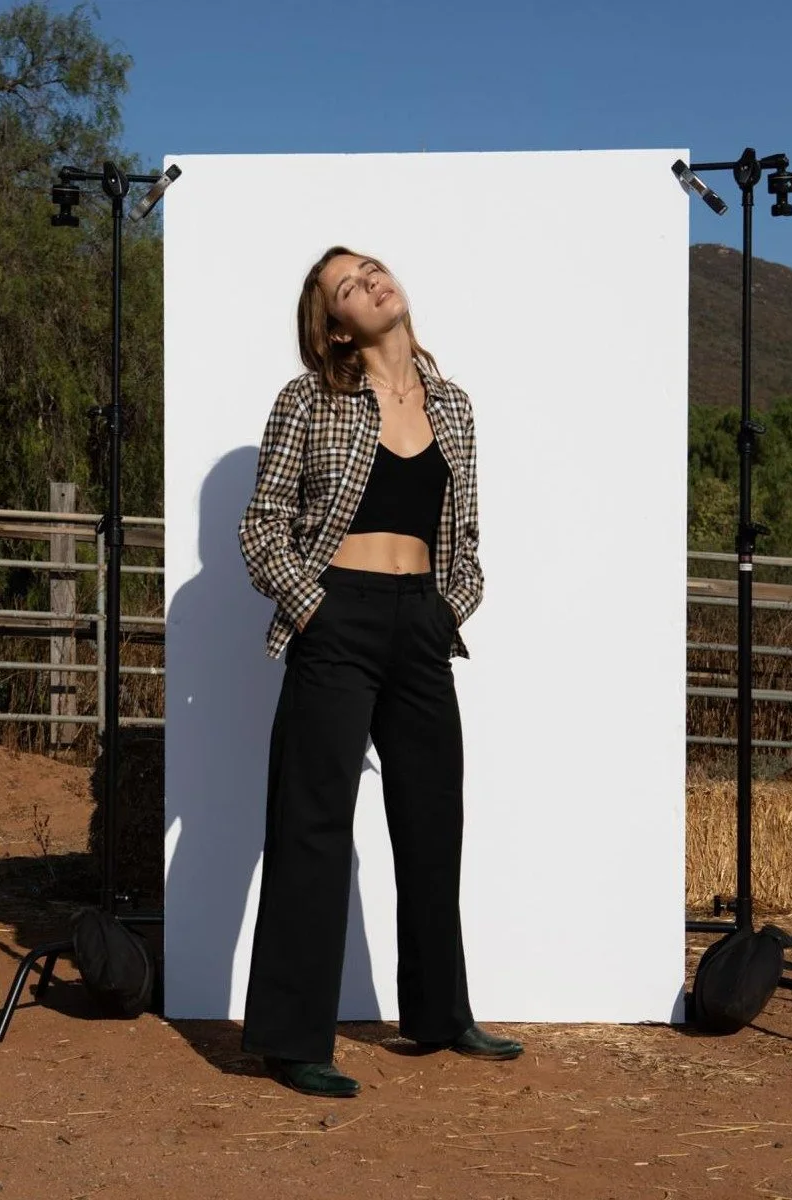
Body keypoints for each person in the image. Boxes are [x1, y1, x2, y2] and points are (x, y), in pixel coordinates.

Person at [236, 246, 523, 1099]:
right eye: (347, 287)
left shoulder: (453, 406)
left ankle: (440, 1014)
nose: (369, 283)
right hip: (337, 619)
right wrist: (315, 608)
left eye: (370, 269)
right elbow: (261, 528)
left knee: (434, 823)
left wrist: (447, 610)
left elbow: (466, 542)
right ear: (334, 327)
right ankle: (292, 1040)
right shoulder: (308, 401)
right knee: (312, 826)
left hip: (421, 625)